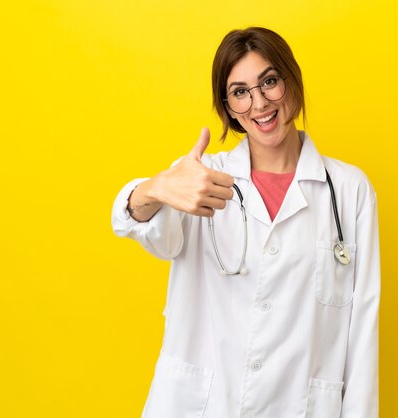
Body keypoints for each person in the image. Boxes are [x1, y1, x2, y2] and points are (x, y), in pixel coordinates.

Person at [112, 27, 380, 418]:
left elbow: (363, 328)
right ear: (227, 106)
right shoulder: (201, 177)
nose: (259, 104)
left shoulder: (349, 190)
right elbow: (144, 230)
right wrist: (155, 189)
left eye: (269, 82)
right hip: (204, 406)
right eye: (240, 91)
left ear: (291, 80)